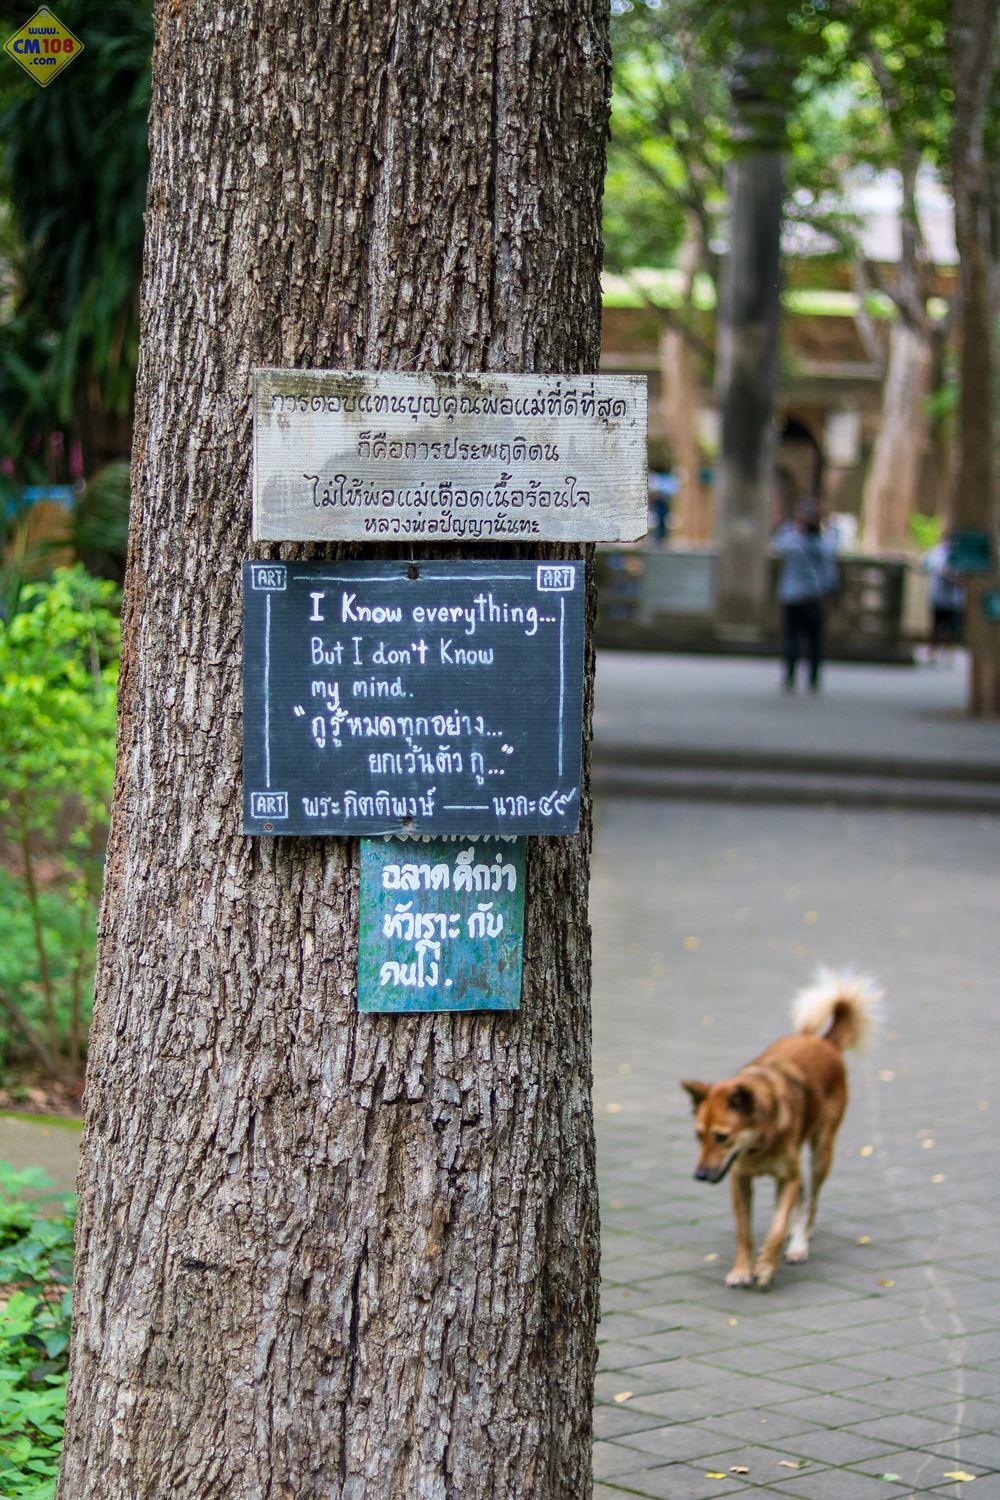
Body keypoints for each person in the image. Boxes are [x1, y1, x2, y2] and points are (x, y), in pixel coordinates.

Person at [771, 499, 839, 693]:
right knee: (813, 640)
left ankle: (790, 676)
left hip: (793, 597)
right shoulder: (822, 544)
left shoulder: (793, 542)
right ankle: (813, 677)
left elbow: (777, 544)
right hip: (812, 597)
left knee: (792, 638)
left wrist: (791, 526)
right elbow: (830, 566)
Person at [921, 532, 965, 660]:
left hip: (955, 599)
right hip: (939, 596)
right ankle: (932, 652)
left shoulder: (960, 553)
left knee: (953, 627)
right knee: (936, 625)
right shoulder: (937, 553)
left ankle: (948, 654)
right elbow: (927, 565)